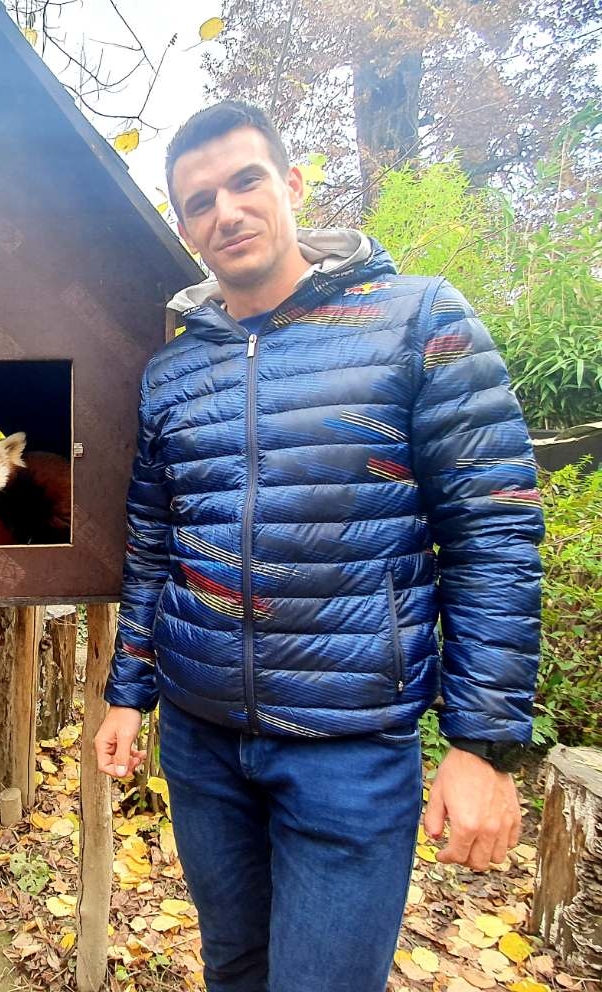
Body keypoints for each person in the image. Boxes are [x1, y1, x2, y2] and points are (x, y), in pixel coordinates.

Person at [94, 101, 543, 992]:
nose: (226, 210)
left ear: (294, 184)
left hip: (348, 750)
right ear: (184, 227)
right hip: (202, 743)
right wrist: (127, 694)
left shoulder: (417, 321)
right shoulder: (173, 373)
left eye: (246, 181)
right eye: (199, 201)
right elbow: (153, 547)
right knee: (235, 971)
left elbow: (494, 528)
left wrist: (482, 743)